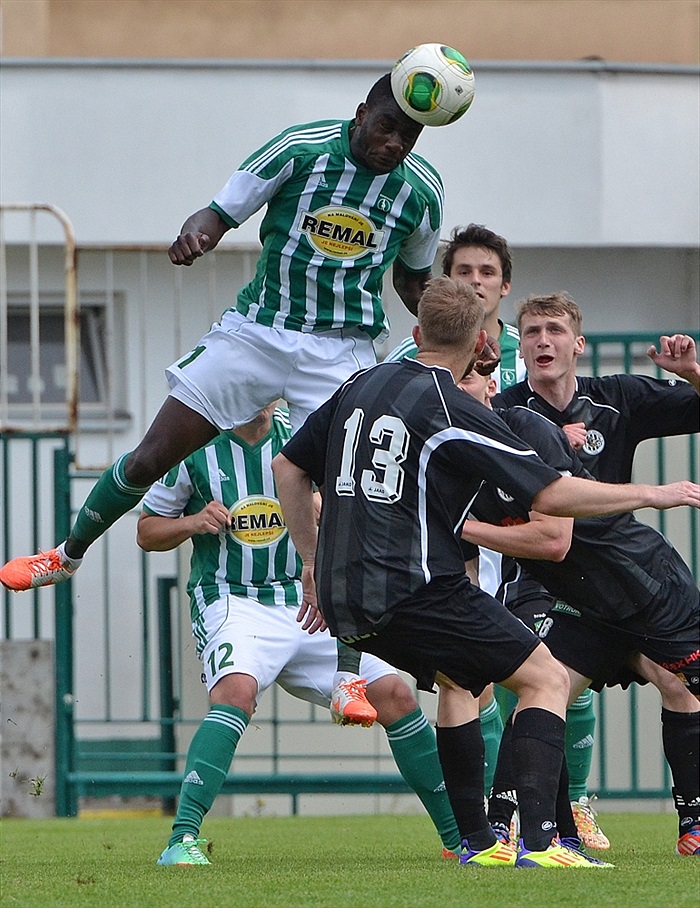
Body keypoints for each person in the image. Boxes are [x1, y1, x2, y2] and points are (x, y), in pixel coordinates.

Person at [271, 276, 700, 868]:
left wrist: (313, 562)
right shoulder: (451, 407)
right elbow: (551, 493)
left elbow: (286, 466)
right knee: (545, 679)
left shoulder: (358, 386)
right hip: (419, 588)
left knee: (460, 681)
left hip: (345, 601)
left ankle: (477, 843)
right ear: (482, 345)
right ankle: (544, 843)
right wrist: (653, 493)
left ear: (416, 334)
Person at [0, 71, 441, 599]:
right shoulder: (298, 150)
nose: (393, 144)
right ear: (362, 113)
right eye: (387, 127)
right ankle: (65, 556)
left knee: (347, 502)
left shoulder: (421, 192)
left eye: (408, 138)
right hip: (258, 331)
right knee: (149, 457)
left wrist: (449, 330)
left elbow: (414, 279)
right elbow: (218, 212)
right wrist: (197, 236)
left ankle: (349, 674)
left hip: (340, 350)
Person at [137, 403, 462, 866]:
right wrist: (193, 522)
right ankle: (181, 839)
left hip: (304, 596)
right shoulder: (193, 443)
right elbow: (147, 532)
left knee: (396, 694)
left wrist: (324, 505)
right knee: (236, 691)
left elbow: (357, 504)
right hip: (234, 598)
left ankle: (459, 840)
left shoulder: (307, 435)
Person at [385, 225, 599, 827]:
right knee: (475, 677)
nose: (475, 282)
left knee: (560, 658)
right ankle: (484, 820)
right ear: (444, 284)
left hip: (524, 520)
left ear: (505, 285)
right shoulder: (415, 358)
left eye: (486, 272)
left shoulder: (530, 344)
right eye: (463, 272)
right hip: (454, 531)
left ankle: (571, 803)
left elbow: (567, 410)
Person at [458, 366, 700, 857]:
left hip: (643, 585)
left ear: (489, 384)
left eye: (466, 379)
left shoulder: (527, 429)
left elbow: (553, 539)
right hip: (586, 603)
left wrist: (465, 528)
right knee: (545, 686)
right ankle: (529, 835)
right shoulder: (451, 459)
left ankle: (693, 822)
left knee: (681, 687)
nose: (454, 389)